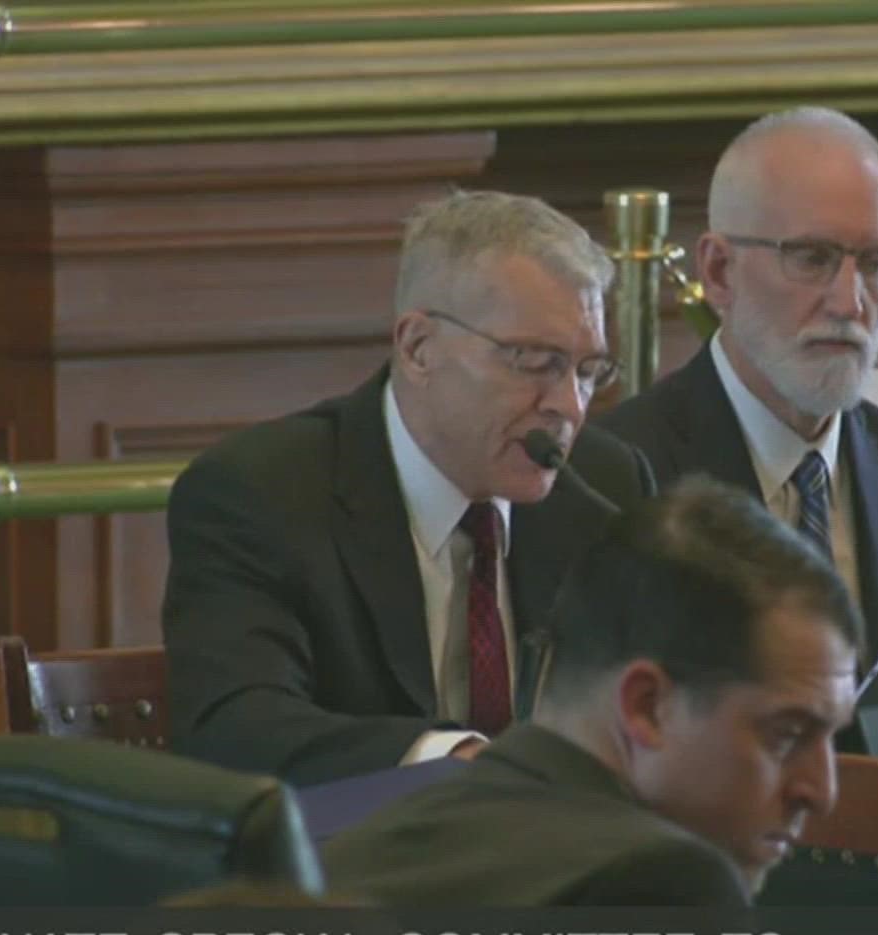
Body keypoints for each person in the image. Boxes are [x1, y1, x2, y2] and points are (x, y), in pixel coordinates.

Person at [164, 191, 654, 786]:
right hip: (352, 864)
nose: (569, 407)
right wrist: (465, 765)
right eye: (534, 362)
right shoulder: (260, 492)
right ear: (419, 348)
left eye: (586, 371)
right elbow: (236, 727)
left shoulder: (605, 487)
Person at [600, 107, 878, 746]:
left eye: (877, 262)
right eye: (812, 258)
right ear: (719, 272)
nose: (849, 301)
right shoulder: (620, 472)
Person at [321, 478, 862, 907]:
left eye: (831, 739)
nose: (822, 791)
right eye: (787, 736)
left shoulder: (342, 862)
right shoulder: (658, 884)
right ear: (647, 705)